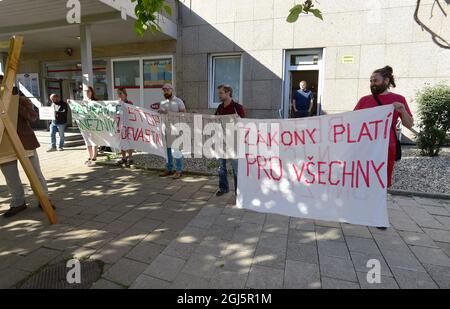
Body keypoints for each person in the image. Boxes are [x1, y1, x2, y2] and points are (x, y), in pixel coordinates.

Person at [354, 66, 414, 229]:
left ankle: (377, 216)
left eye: (376, 80)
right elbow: (352, 122)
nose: (372, 83)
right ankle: (356, 211)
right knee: (361, 179)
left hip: (386, 148)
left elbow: (409, 124)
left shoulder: (398, 99)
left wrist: (401, 109)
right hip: (364, 147)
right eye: (371, 81)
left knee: (381, 183)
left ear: (386, 81)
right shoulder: (364, 100)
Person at [0, 75, 54, 218]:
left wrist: (14, 105)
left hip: (25, 142)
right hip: (4, 144)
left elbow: (33, 116)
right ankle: (18, 202)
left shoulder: (20, 100)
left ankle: (44, 200)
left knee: (36, 173)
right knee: (11, 177)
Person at [214, 84, 246, 196]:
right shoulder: (219, 107)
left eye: (221, 93)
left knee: (236, 168)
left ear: (228, 93)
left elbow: (244, 124)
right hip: (220, 141)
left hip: (234, 142)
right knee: (221, 167)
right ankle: (223, 188)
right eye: (219, 93)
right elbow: (215, 121)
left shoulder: (237, 107)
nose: (219, 95)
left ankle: (239, 191)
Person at [158, 83, 186, 179]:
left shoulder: (178, 101)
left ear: (171, 90)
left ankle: (179, 170)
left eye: (167, 90)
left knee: (177, 150)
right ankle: (169, 168)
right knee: (168, 151)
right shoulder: (162, 103)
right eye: (164, 90)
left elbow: (183, 114)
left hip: (176, 129)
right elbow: (161, 116)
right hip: (166, 129)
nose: (165, 92)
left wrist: (167, 113)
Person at [116, 87, 135, 167]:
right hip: (121, 126)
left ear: (125, 94)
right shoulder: (117, 104)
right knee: (122, 142)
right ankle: (124, 157)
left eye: (121, 93)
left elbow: (132, 113)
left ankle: (130, 158)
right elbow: (116, 114)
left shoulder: (129, 103)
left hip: (129, 126)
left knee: (129, 142)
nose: (119, 95)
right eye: (118, 94)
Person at [82, 86, 98, 167]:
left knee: (94, 140)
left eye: (88, 91)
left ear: (92, 92)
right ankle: (90, 156)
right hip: (85, 124)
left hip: (94, 124)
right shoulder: (82, 102)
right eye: (85, 91)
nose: (87, 93)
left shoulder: (95, 101)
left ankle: (94, 157)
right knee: (87, 141)